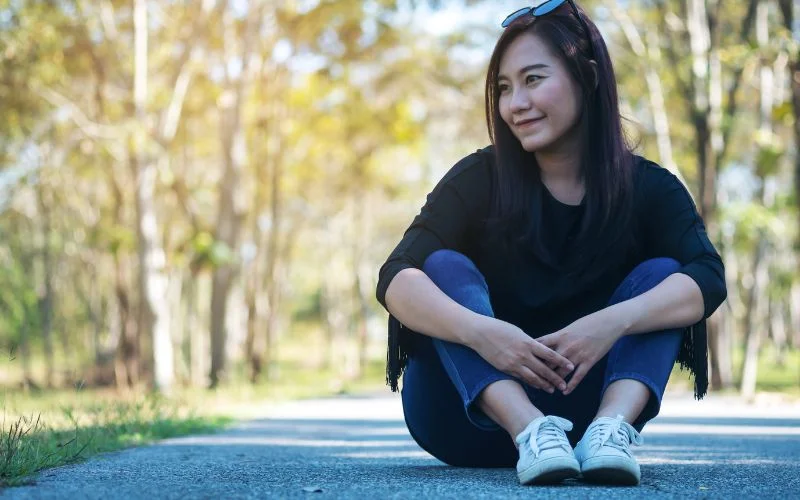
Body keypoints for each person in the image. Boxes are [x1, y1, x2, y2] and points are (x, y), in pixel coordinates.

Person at [374, 0, 727, 488]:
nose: (515, 103)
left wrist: (610, 323)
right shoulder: (478, 178)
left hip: (586, 421)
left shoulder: (651, 189)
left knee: (667, 274)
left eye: (533, 79)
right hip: (463, 417)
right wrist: (483, 334)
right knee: (441, 266)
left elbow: (707, 276)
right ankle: (529, 429)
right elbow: (397, 276)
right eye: (503, 88)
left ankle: (613, 430)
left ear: (588, 77)